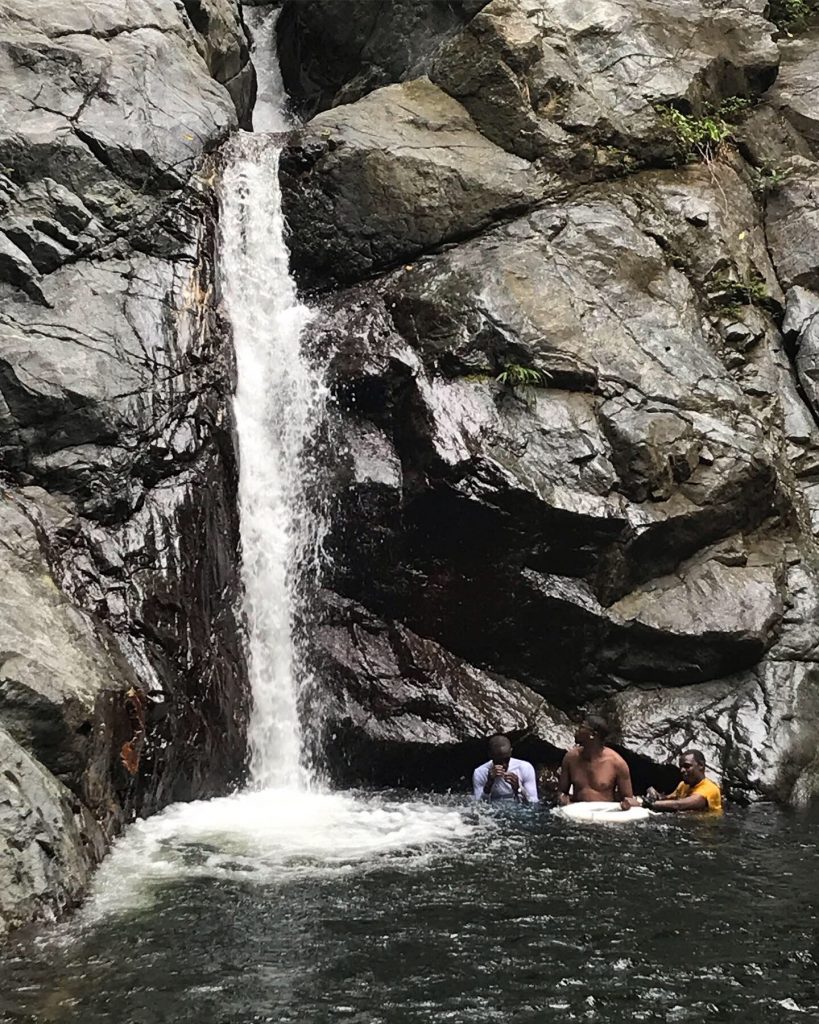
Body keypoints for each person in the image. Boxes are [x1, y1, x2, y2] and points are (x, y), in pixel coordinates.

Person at [557, 716, 635, 804]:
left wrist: (627, 804)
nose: (577, 730)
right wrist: (562, 799)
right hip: (577, 812)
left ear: (592, 735)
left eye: (581, 727)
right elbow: (562, 792)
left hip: (604, 814)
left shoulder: (617, 763)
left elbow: (630, 800)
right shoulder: (570, 758)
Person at [622, 749, 722, 813]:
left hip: (706, 831)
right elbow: (669, 800)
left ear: (701, 765)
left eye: (687, 766)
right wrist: (655, 796)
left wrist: (643, 804)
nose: (682, 770)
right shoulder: (683, 785)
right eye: (681, 767)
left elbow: (679, 805)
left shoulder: (710, 789)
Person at [472, 734, 539, 803]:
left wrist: (518, 788)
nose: (504, 765)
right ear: (490, 755)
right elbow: (479, 805)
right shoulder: (480, 772)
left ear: (511, 752)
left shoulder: (524, 767)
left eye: (507, 760)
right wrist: (488, 786)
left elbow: (533, 801)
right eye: (498, 760)